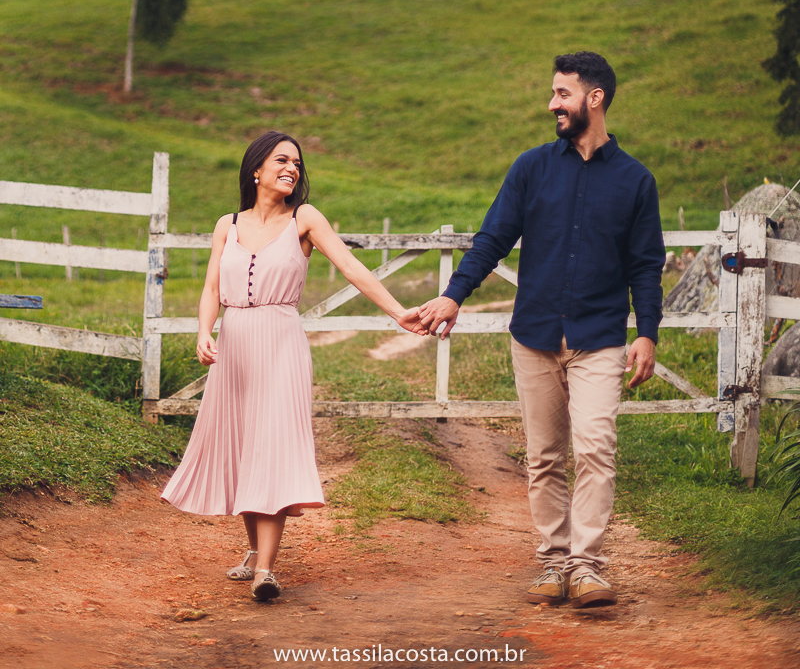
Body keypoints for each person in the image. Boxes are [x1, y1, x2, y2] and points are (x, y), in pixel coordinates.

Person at [418, 52, 663, 609]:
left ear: (593, 98)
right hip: (534, 337)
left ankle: (588, 567)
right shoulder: (531, 168)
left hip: (598, 339)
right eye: (553, 94)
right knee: (545, 455)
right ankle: (554, 563)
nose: (552, 103)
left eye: (562, 93)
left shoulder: (635, 181)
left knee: (596, 448)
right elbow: (493, 238)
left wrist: (646, 331)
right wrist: (454, 295)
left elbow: (646, 265)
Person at [161, 130, 424, 602]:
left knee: (273, 449)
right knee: (243, 449)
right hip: (234, 348)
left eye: (297, 164)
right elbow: (209, 289)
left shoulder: (304, 218)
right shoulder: (228, 224)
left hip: (281, 346)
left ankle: (265, 569)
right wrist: (204, 330)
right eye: (282, 160)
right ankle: (253, 551)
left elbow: (350, 266)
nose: (292, 169)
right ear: (256, 169)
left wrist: (397, 311)